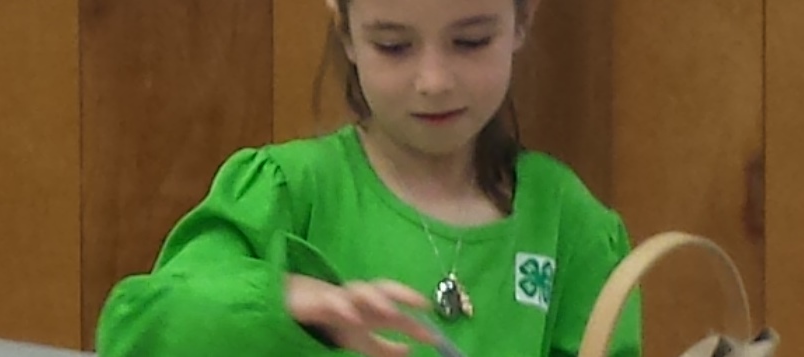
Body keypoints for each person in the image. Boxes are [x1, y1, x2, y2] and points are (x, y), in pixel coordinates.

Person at [93, 0, 642, 355]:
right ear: (347, 33)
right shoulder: (284, 191)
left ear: (522, 20)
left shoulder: (571, 224)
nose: (433, 81)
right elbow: (137, 328)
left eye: (471, 40)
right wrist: (278, 297)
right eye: (394, 45)